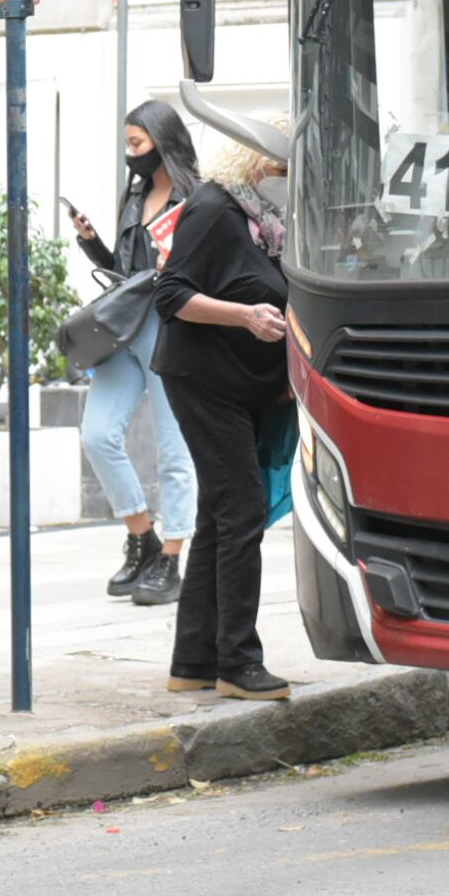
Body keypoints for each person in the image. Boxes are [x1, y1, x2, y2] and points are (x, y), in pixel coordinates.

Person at [153, 129, 295, 703]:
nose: (291, 172)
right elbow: (171, 295)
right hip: (204, 381)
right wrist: (245, 317)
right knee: (242, 510)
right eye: (286, 160)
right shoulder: (214, 207)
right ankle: (239, 661)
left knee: (220, 515)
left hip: (240, 385)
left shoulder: (259, 218)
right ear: (259, 158)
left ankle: (194, 660)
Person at [66, 101, 201, 608]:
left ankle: (171, 554)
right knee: (98, 434)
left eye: (137, 144)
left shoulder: (194, 197)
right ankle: (140, 534)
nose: (131, 154)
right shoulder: (136, 193)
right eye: (128, 144)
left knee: (174, 449)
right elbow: (126, 270)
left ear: (163, 141)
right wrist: (92, 242)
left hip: (168, 328)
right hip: (122, 330)